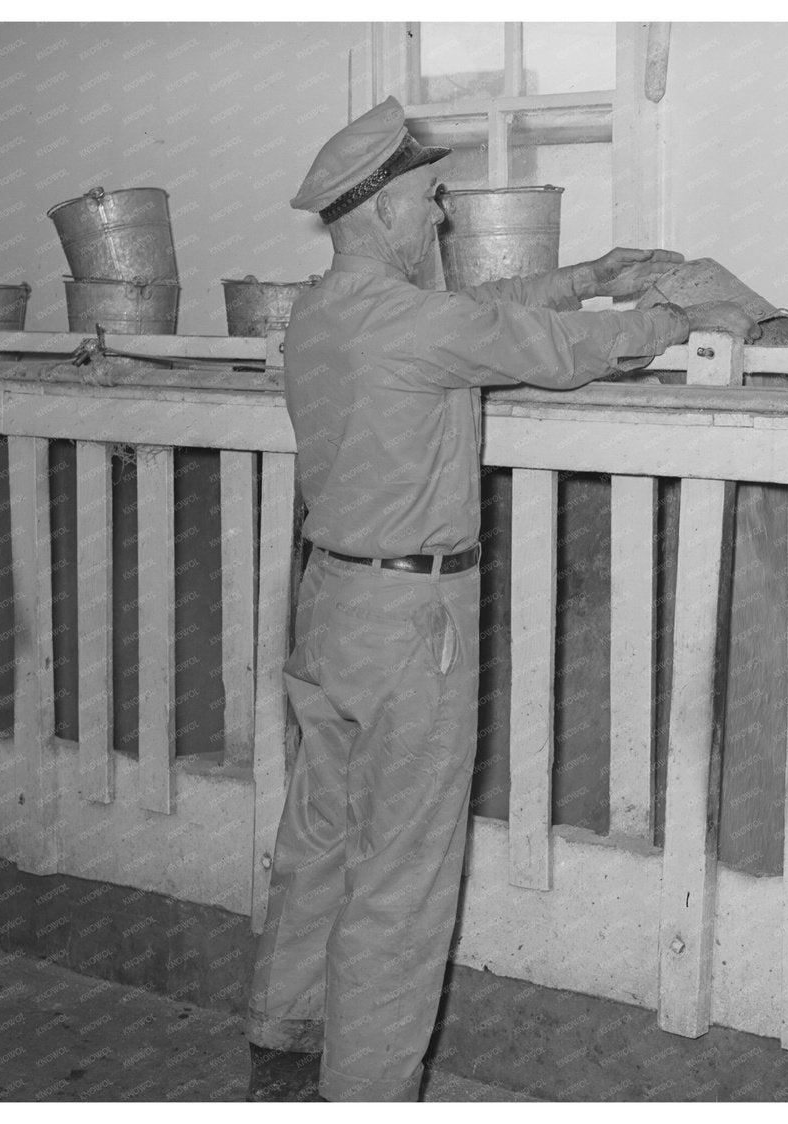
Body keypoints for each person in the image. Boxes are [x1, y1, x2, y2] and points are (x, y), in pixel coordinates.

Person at [242, 96, 758, 1103]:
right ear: (384, 206)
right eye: (429, 198)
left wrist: (592, 275)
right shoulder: (414, 324)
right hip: (412, 628)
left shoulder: (322, 311)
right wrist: (684, 316)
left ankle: (281, 1051)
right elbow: (552, 351)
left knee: (319, 842)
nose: (439, 216)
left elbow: (490, 308)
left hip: (330, 607)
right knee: (405, 879)